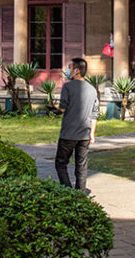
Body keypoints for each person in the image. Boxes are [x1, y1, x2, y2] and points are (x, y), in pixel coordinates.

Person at [54, 56, 99, 191]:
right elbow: (94, 114)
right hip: (84, 133)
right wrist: (92, 133)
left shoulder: (67, 87)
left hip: (68, 133)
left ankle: (68, 190)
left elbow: (62, 109)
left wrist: (52, 110)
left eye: (70, 68)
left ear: (77, 71)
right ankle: (80, 193)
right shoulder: (92, 90)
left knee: (60, 163)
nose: (68, 71)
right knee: (81, 166)